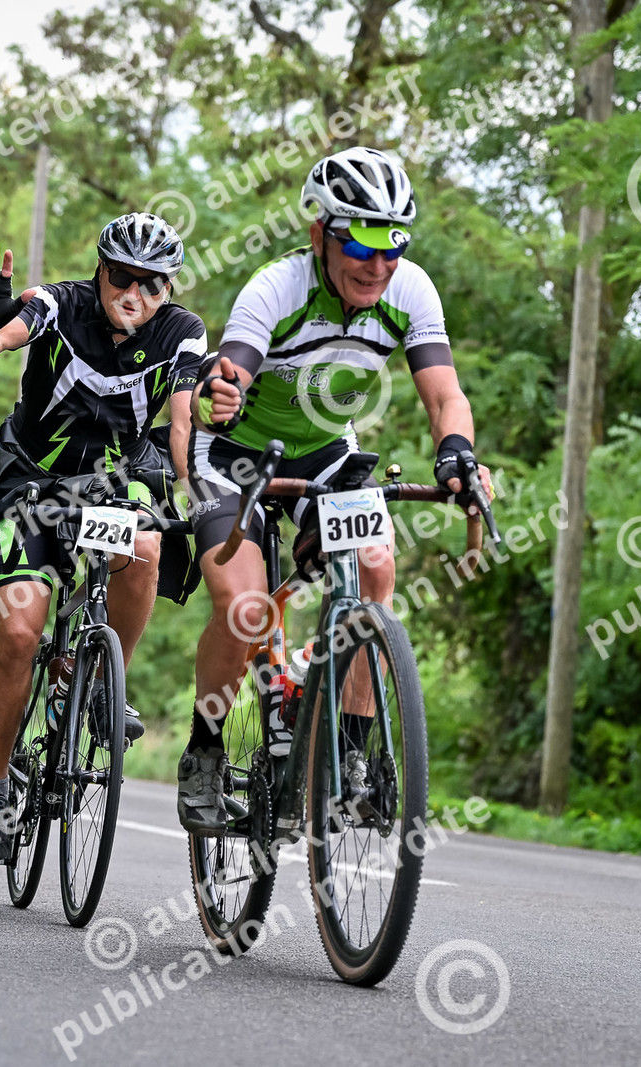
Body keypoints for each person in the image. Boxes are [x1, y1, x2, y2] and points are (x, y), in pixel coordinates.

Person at [174, 147, 493, 834]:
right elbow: (230, 371)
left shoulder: (410, 291)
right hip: (235, 456)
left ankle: (349, 754)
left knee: (375, 569)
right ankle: (205, 748)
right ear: (320, 232)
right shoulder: (275, 288)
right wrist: (220, 394)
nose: (378, 265)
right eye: (360, 244)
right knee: (245, 607)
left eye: (393, 246)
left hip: (324, 452)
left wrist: (458, 453)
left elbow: (446, 396)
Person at [0, 212, 207, 863]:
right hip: (29, 483)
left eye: (153, 284)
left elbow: (182, 421)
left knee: (145, 545)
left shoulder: (182, 331)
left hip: (119, 482)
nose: (135, 294)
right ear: (100, 269)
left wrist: (196, 491)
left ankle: (99, 681)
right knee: (19, 633)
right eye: (122, 276)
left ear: (168, 288)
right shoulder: (58, 303)